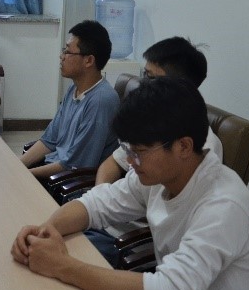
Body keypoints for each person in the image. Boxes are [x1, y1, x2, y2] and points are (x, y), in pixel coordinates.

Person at [11, 77, 249, 290]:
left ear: (183, 146)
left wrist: (63, 266)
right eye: (127, 150)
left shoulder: (224, 206)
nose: (130, 161)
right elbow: (96, 205)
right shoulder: (159, 175)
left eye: (139, 152)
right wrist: (45, 230)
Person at [95, 36, 223, 185]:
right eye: (144, 75)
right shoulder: (147, 120)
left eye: (150, 77)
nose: (142, 84)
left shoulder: (204, 149)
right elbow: (114, 163)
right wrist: (99, 191)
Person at [20, 20, 119, 179]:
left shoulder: (101, 101)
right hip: (56, 169)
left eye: (67, 52)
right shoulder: (74, 88)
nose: (61, 57)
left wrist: (23, 174)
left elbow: (73, 166)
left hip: (71, 182)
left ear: (89, 60)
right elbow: (49, 140)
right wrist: (17, 165)